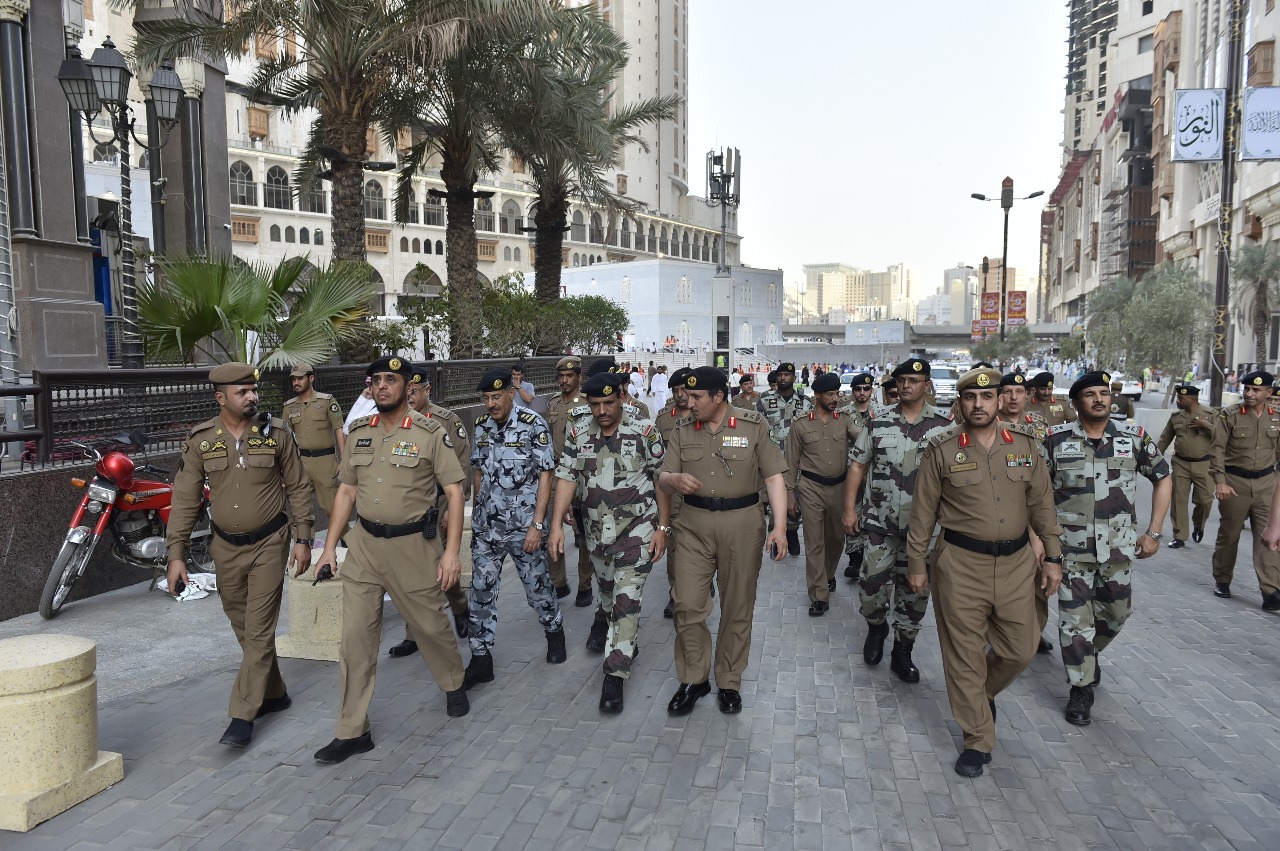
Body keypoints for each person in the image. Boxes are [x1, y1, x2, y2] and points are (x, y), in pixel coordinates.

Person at [309, 356, 470, 764]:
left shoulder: (429, 432)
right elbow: (346, 492)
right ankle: (352, 730)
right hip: (364, 547)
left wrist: (451, 554)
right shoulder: (360, 432)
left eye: (390, 380)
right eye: (376, 380)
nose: (382, 386)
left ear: (406, 386)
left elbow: (454, 491)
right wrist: (330, 547)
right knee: (355, 640)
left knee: (430, 625)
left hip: (413, 547)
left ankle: (453, 683)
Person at [908, 367, 1063, 778]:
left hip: (1015, 564)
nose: (980, 405)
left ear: (999, 401)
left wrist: (1054, 557)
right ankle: (977, 737)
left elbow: (1043, 506)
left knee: (1021, 648)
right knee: (963, 656)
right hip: (959, 564)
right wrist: (916, 564)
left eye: (988, 397)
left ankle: (981, 694)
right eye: (971, 399)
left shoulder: (1026, 445)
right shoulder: (941, 448)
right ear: (959, 403)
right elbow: (922, 514)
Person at [166, 362, 314, 748]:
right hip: (224, 547)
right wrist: (176, 554)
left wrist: (303, 537)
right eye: (243, 392)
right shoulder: (201, 440)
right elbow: (184, 499)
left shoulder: (276, 433)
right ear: (221, 398)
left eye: (253, 390)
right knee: (245, 629)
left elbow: (298, 487)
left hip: (270, 541)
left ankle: (242, 714)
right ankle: (276, 693)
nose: (252, 397)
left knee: (260, 626)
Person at [659, 367, 789, 716]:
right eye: (687, 395)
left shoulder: (753, 425)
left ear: (719, 397)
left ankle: (729, 680)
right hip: (692, 527)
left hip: (743, 525)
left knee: (737, 606)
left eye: (697, 396)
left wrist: (779, 527)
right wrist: (674, 479)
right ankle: (693, 678)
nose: (689, 402)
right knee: (686, 603)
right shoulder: (683, 430)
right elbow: (663, 477)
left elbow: (774, 477)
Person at [1043, 371, 1171, 725]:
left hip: (1119, 550)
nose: (1100, 399)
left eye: (1103, 392)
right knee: (1074, 621)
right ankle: (1080, 689)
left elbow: (1163, 477)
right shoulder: (1054, 440)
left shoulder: (1134, 438)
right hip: (1071, 550)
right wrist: (1041, 541)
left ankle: (1087, 656)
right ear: (1076, 402)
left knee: (1117, 615)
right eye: (1090, 394)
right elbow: (1036, 495)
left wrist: (1154, 532)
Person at [548, 372, 671, 713]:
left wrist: (663, 527)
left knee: (625, 601)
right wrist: (556, 524)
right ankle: (622, 636)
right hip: (596, 534)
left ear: (620, 398)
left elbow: (661, 479)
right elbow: (567, 475)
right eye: (595, 404)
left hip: (637, 530)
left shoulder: (644, 430)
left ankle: (614, 673)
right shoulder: (578, 430)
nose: (602, 410)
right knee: (607, 594)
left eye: (608, 403)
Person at [842, 357, 952, 684]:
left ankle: (903, 651)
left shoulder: (945, 426)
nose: (906, 385)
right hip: (879, 524)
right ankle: (876, 628)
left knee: (914, 593)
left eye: (914, 381)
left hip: (923, 532)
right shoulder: (878, 421)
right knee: (871, 587)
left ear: (927, 385)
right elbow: (858, 465)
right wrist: (849, 510)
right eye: (901, 380)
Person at [464, 368, 567, 689]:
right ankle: (481, 657)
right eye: (485, 399)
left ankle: (554, 630)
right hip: (487, 527)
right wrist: (478, 511)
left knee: (537, 587)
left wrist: (539, 524)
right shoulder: (481, 427)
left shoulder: (532, 425)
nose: (490, 404)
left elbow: (546, 475)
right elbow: (478, 471)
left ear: (511, 392)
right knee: (480, 591)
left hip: (525, 526)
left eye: (496, 397)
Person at [387, 364, 474, 657]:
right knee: (410, 571)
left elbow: (462, 465)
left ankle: (460, 606)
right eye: (406, 390)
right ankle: (415, 633)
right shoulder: (396, 421)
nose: (409, 396)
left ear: (427, 390)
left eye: (414, 390)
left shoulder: (446, 421)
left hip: (438, 504)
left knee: (436, 568)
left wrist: (452, 507)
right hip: (407, 505)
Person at [786, 372, 860, 616]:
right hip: (810, 488)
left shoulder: (845, 419)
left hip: (839, 487)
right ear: (817, 395)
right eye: (830, 394)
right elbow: (791, 462)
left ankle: (828, 574)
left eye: (837, 394)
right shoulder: (801, 423)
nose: (835, 398)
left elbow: (863, 441)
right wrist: (789, 495)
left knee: (837, 538)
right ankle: (819, 594)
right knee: (815, 541)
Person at [1209, 369, 1280, 608]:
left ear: (1269, 392)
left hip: (1266, 484)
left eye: (1256, 390)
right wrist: (1220, 480)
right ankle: (1222, 579)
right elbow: (1217, 449)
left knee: (1269, 537)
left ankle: (1270, 591)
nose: (1249, 393)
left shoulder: (1276, 417)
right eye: (1246, 388)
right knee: (1230, 534)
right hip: (1234, 483)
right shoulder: (1230, 415)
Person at [996, 371, 1053, 654]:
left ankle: (1033, 631)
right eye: (1007, 392)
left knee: (1039, 578)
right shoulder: (986, 426)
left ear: (1027, 395)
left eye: (1019, 392)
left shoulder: (1040, 426)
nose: (1013, 397)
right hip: (1001, 510)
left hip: (1037, 508)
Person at [543, 356, 592, 601]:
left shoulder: (588, 402)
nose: (564, 380)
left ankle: (585, 585)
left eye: (569, 376)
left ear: (579, 377)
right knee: (552, 526)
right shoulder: (552, 403)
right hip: (555, 473)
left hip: (581, 474)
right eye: (561, 376)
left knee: (583, 532)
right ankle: (558, 582)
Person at [756, 362, 813, 556]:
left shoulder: (805, 402)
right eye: (779, 375)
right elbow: (758, 428)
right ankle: (776, 536)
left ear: (793, 378)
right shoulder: (765, 400)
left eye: (786, 375)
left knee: (795, 497)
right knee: (775, 499)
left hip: (798, 459)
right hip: (773, 458)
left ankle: (792, 531)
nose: (782, 378)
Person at [282, 362, 346, 515]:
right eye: (293, 379)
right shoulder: (289, 407)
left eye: (300, 379)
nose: (296, 383)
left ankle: (345, 538)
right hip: (301, 463)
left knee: (334, 510)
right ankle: (303, 539)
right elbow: (285, 439)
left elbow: (339, 431)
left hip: (325, 462)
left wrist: (343, 461)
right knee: (300, 511)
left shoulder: (327, 401)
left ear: (311, 378)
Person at [1157, 385, 1216, 550]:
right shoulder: (1176, 417)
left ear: (1192, 399)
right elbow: (1164, 438)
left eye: (1181, 399)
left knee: (1205, 501)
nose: (1178, 401)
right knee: (1178, 500)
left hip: (1204, 464)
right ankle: (1180, 536)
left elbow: (1222, 436)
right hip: (1181, 463)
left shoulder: (1211, 415)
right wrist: (1153, 458)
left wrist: (1206, 425)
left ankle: (1199, 525)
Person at [656, 367, 693, 619]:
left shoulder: (705, 413)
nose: (680, 395)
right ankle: (675, 593)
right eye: (675, 390)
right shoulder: (663, 418)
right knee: (674, 546)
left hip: (701, 489)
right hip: (674, 492)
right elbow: (657, 461)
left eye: (684, 390)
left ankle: (701, 582)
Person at [840, 372, 877, 582]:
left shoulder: (881, 413)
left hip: (875, 473)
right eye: (858, 389)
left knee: (872, 513)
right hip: (851, 472)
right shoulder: (844, 414)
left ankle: (871, 555)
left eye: (866, 389)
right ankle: (854, 557)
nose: (862, 393)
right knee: (851, 511)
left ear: (872, 390)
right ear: (852, 391)